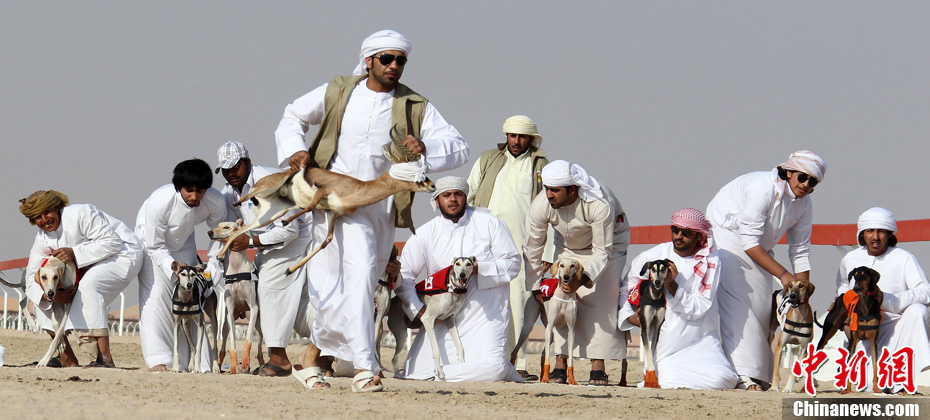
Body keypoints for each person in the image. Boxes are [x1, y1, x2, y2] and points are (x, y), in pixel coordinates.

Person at [274, 29, 468, 391]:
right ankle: (365, 366)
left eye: (401, 60)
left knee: (356, 281)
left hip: (379, 208)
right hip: (331, 202)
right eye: (387, 59)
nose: (395, 66)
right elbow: (292, 116)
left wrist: (425, 146)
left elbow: (459, 147)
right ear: (369, 61)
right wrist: (293, 150)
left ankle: (311, 359)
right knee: (341, 283)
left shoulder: (414, 104)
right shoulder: (338, 91)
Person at [705, 150, 825, 391]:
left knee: (763, 310)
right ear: (788, 172)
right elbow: (748, 241)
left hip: (758, 247)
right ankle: (742, 377)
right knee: (741, 305)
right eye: (802, 177)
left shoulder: (805, 203)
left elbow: (800, 249)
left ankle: (760, 375)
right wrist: (784, 276)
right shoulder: (763, 188)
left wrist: (802, 297)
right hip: (727, 237)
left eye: (813, 182)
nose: (806, 185)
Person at [393, 177, 522, 382]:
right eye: (446, 195)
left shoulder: (490, 224)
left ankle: (446, 375)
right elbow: (405, 277)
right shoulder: (424, 233)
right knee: (413, 371)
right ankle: (438, 373)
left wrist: (479, 269)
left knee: (493, 369)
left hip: (485, 314)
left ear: (465, 197)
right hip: (442, 318)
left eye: (458, 194)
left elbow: (513, 263)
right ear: (436, 201)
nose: (453, 199)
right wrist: (420, 310)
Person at [523, 160, 630, 386]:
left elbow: (602, 251)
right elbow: (533, 248)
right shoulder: (541, 205)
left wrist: (581, 279)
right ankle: (561, 364)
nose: (549, 195)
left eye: (554, 190)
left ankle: (598, 366)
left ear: (572, 190)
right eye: (547, 189)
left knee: (601, 299)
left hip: (609, 248)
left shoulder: (599, 204)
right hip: (568, 247)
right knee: (561, 301)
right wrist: (536, 287)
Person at [213, 141, 314, 376]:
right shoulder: (230, 193)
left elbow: (290, 231)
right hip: (270, 243)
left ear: (247, 162)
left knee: (267, 289)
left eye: (234, 167)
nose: (230, 173)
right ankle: (323, 356)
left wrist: (249, 243)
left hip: (298, 237)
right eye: (225, 169)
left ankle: (279, 359)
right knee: (302, 304)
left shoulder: (267, 183)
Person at [465, 115, 549, 380]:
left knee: (519, 302)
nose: (516, 141)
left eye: (522, 136)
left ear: (531, 138)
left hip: (524, 247)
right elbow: (468, 193)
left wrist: (546, 253)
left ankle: (517, 361)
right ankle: (481, 357)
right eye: (512, 135)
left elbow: (551, 208)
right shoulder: (488, 159)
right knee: (480, 299)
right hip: (485, 244)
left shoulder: (541, 166)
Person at [618, 208, 738, 390]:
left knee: (723, 379)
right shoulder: (653, 256)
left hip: (701, 339)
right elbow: (626, 288)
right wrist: (629, 316)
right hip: (665, 344)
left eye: (686, 233)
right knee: (665, 380)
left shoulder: (710, 262)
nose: (679, 236)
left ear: (699, 236)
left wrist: (672, 285)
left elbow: (700, 306)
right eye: (675, 230)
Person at [21, 190, 142, 368]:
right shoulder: (42, 238)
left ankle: (104, 358)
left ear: (56, 208)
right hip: (89, 264)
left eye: (47, 212)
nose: (44, 220)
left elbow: (113, 242)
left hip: (124, 254)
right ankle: (66, 358)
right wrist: (52, 296)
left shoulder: (80, 213)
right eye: (37, 217)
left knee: (89, 286)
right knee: (41, 299)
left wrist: (74, 253)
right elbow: (32, 277)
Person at [135, 158, 228, 372]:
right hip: (152, 243)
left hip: (184, 241)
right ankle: (160, 360)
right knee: (156, 296)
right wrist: (174, 267)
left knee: (194, 300)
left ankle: (201, 365)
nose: (194, 197)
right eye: (189, 190)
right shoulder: (159, 203)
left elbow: (219, 240)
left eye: (200, 191)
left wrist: (212, 273)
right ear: (179, 187)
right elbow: (156, 246)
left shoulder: (215, 201)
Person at [834, 207, 930, 392]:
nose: (875, 237)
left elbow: (926, 291)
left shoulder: (904, 258)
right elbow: (843, 290)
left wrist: (887, 299)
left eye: (881, 231)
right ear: (862, 234)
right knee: (868, 386)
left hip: (897, 328)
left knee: (918, 310)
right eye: (870, 231)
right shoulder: (850, 259)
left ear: (889, 235)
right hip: (863, 333)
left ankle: (903, 380)